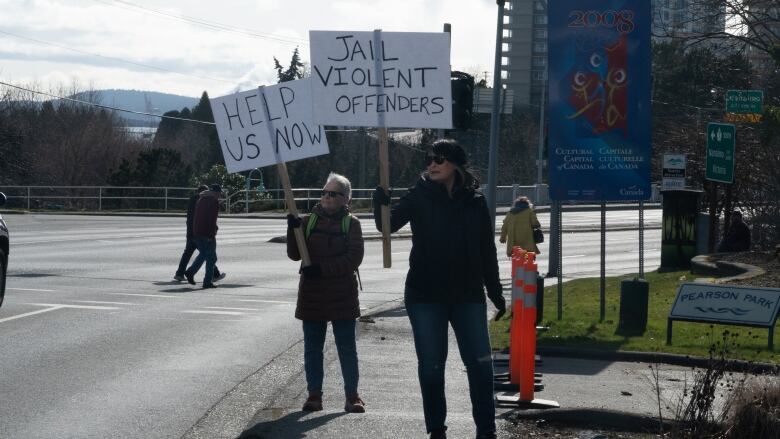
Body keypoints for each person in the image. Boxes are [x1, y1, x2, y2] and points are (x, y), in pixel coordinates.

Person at [373, 139, 505, 439]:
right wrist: (378, 201)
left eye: (439, 159)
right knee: (432, 367)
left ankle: (486, 431)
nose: (431, 164)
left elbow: (487, 251)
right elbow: (388, 226)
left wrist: (495, 292)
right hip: (425, 294)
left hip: (468, 294)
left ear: (456, 164)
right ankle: (436, 431)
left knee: (481, 365)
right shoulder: (419, 195)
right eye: (429, 158)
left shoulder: (475, 202)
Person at [287, 172, 366, 414]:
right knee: (312, 348)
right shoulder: (307, 221)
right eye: (324, 193)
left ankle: (352, 396)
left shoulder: (351, 223)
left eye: (333, 194)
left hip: (342, 295)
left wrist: (321, 270)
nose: (327, 197)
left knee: (346, 348)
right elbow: (294, 254)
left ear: (346, 199)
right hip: (312, 295)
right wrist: (292, 230)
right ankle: (314, 395)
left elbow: (353, 259)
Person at [174, 185, 224, 282]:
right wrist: (212, 233)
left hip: (194, 231)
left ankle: (182, 273)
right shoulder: (213, 201)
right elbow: (211, 219)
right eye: (219, 193)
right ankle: (197, 274)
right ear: (215, 193)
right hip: (205, 233)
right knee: (208, 255)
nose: (219, 195)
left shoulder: (199, 200)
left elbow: (194, 217)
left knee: (200, 254)